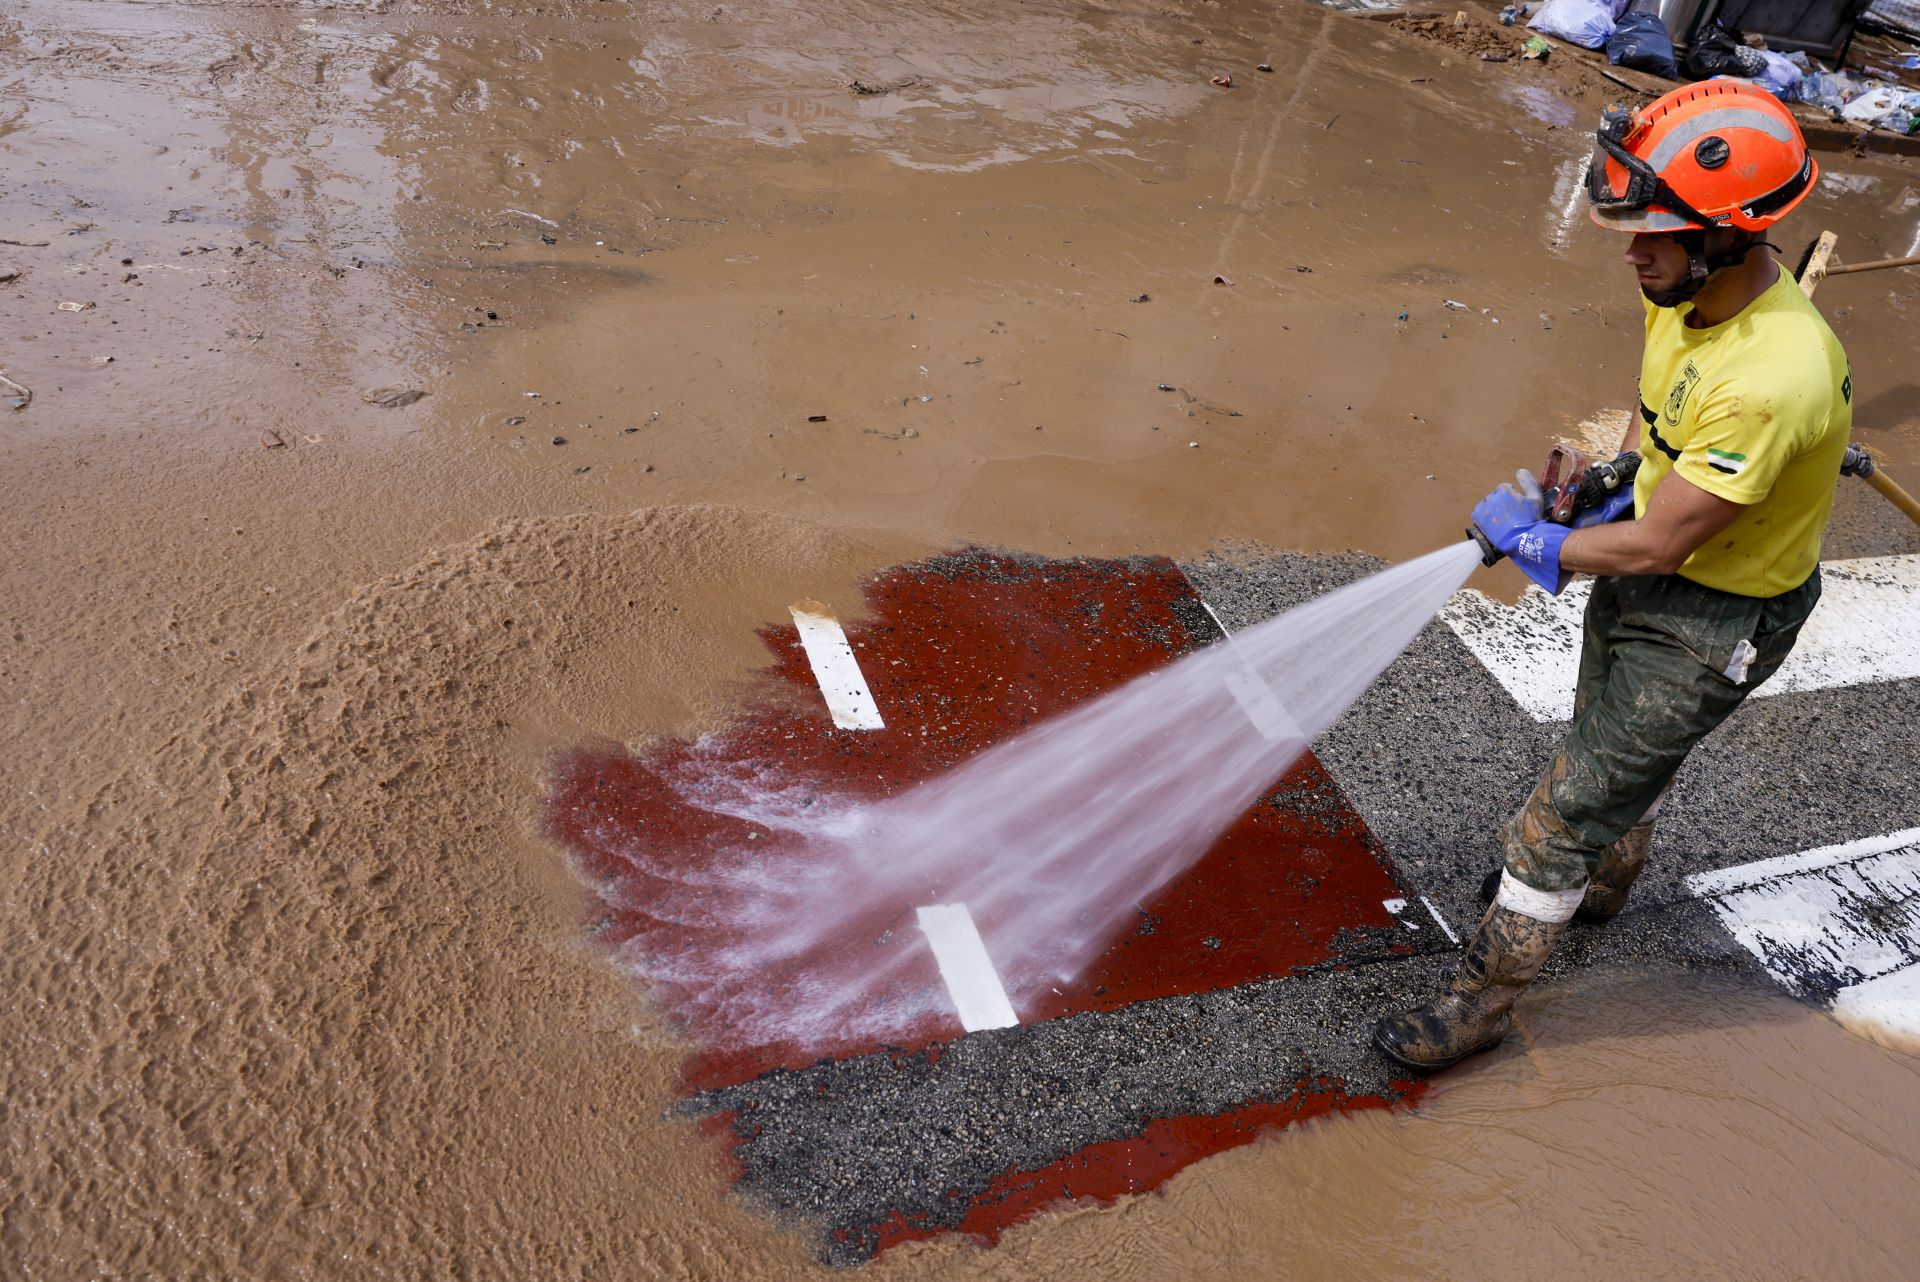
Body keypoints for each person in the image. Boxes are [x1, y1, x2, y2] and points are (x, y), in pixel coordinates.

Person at [1374, 80, 1853, 1073]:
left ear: (1727, 237)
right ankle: (1602, 878)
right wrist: (1602, 481)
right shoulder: (1684, 293)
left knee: (1558, 814)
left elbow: (1655, 549)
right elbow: (1655, 409)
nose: (1632, 252)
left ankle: (1484, 997)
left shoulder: (1777, 378)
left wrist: (1536, 542)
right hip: (1663, 566)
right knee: (1606, 752)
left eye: (1655, 234)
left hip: (1716, 616)